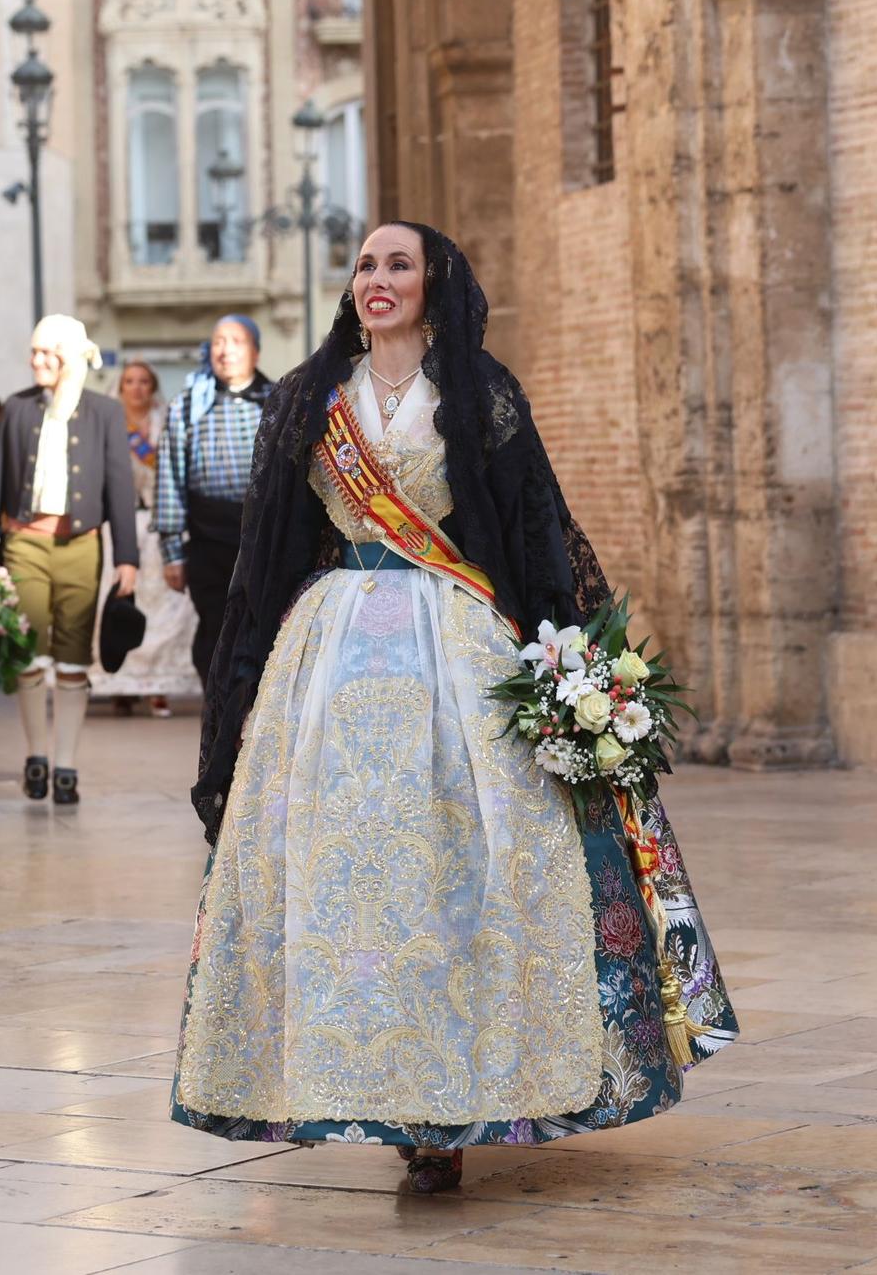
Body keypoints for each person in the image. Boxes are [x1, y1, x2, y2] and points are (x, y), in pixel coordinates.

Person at [170, 222, 738, 1191]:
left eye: (397, 264)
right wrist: (238, 691)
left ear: (434, 281)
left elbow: (534, 533)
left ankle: (455, 1100)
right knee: (345, 878)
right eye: (363, 265)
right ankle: (369, 1090)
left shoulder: (479, 393)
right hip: (333, 666)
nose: (376, 279)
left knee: (464, 871)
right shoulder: (312, 399)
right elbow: (267, 550)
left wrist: (572, 666)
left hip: (458, 654)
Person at [0, 315, 139, 806]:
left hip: (82, 546)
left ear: (69, 357)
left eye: (48, 353)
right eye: (33, 352)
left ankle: (66, 764)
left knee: (72, 660)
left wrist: (126, 558)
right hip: (24, 543)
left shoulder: (104, 413)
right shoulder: (18, 409)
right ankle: (36, 755)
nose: (36, 361)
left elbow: (120, 489)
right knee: (27, 652)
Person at [154, 314, 274, 687]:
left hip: (262, 540)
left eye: (237, 341)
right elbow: (170, 479)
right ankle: (218, 714)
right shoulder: (187, 406)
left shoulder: (277, 401)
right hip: (207, 540)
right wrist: (172, 552)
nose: (227, 351)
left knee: (262, 627)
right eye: (219, 341)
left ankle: (255, 715)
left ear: (254, 351)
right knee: (214, 628)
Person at [91, 360, 197, 717]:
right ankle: (119, 683)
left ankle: (158, 686)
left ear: (152, 387)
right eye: (129, 381)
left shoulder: (165, 422)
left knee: (162, 607)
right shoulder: (108, 424)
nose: (136, 388)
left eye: (143, 382)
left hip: (156, 525)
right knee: (118, 602)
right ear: (120, 387)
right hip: (118, 528)